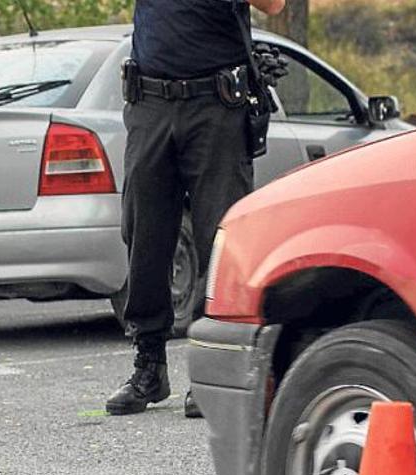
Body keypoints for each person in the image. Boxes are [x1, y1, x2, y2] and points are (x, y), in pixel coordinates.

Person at [106, 0, 286, 417]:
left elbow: (274, 6)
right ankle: (148, 366)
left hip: (216, 104)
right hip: (150, 101)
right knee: (144, 236)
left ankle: (213, 373)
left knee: (222, 242)